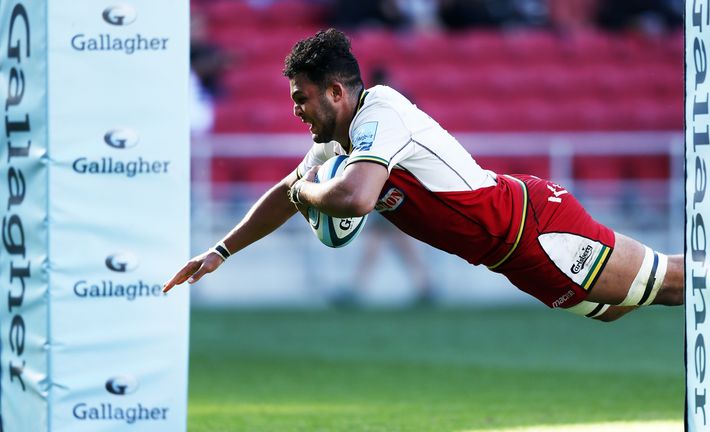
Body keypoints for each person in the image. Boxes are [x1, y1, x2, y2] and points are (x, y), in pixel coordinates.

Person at [163, 28, 683, 321]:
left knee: (676, 284)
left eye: (302, 98)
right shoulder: (335, 142)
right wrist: (221, 251)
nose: (297, 111)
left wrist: (307, 190)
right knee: (625, 305)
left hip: (534, 230)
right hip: (509, 254)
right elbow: (285, 193)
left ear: (337, 92)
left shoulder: (380, 114)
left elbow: (353, 199)